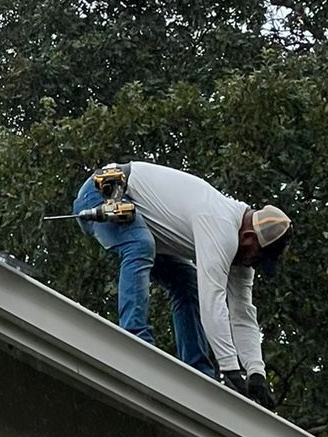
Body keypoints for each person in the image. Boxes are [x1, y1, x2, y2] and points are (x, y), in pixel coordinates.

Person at [73, 160, 289, 403]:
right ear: (249, 237)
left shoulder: (242, 252)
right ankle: (134, 337)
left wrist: (256, 374)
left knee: (188, 284)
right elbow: (213, 302)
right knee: (139, 245)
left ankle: (198, 371)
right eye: (256, 258)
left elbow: (243, 315)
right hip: (102, 192)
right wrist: (231, 369)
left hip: (146, 226)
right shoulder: (221, 225)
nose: (252, 265)